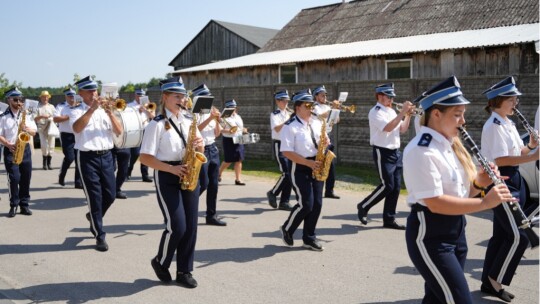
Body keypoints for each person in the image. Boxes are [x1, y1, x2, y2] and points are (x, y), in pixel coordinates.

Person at [403, 75, 513, 304]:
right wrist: (485, 203)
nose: (463, 121)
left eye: (462, 114)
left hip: (456, 232)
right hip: (431, 236)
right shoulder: (421, 150)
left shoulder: (449, 146)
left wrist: (479, 184)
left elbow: (460, 194)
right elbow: (435, 202)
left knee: (436, 299)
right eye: (457, 114)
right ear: (435, 114)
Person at [140, 76, 203, 288]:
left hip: (188, 171)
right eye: (177, 96)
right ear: (165, 97)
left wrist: (200, 145)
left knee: (191, 226)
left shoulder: (188, 120)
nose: (181, 99)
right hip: (166, 173)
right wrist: (171, 169)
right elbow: (145, 158)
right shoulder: (155, 125)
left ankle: (184, 271)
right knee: (177, 226)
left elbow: (199, 149)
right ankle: (161, 261)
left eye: (183, 96)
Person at [480, 76, 538, 302]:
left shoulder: (508, 122)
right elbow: (501, 159)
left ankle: (487, 282)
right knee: (520, 237)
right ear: (499, 100)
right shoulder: (493, 126)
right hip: (500, 183)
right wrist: (534, 156)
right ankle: (495, 281)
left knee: (500, 235)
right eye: (512, 98)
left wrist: (531, 146)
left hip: (515, 181)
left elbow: (518, 151)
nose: (516, 102)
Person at [69, 76, 123, 252]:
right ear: (81, 93)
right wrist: (91, 110)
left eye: (95, 90)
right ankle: (99, 234)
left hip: (106, 156)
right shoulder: (76, 110)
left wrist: (109, 112)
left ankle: (92, 215)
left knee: (111, 194)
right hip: (87, 158)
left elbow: (118, 131)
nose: (94, 93)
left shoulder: (105, 110)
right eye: (90, 90)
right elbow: (77, 128)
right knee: (95, 197)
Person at [356, 83, 413, 230]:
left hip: (395, 151)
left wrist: (407, 116)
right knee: (387, 185)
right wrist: (402, 113)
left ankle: (389, 219)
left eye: (392, 97)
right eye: (389, 96)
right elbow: (387, 128)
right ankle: (364, 206)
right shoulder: (375, 112)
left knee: (395, 188)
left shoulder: (392, 111)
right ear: (380, 96)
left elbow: (402, 129)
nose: (392, 100)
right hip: (383, 151)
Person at [279, 89, 329, 251]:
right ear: (298, 108)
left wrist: (326, 141)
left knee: (317, 204)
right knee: (306, 204)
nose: (311, 108)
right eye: (308, 105)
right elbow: (286, 152)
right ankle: (288, 228)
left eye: (312, 105)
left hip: (317, 164)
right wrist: (307, 163)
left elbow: (322, 140)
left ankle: (309, 238)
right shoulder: (290, 126)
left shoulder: (317, 122)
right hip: (300, 167)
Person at [192, 84, 226, 226]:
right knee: (203, 183)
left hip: (212, 149)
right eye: (205, 97)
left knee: (214, 185)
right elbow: (195, 130)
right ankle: (186, 206)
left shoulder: (210, 112)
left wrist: (217, 121)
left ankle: (211, 215)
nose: (208, 99)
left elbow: (217, 134)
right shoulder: (194, 113)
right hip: (201, 149)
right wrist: (210, 119)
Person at [0, 87, 37, 217]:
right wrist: (8, 144)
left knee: (26, 178)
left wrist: (27, 128)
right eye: (16, 99)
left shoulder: (26, 115)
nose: (19, 102)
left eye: (21, 99)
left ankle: (24, 205)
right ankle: (14, 205)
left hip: (25, 148)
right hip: (11, 149)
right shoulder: (3, 117)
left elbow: (34, 132)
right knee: (14, 179)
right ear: (9, 100)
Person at [266, 90, 295, 211]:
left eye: (287, 101)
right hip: (280, 144)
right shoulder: (275, 114)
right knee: (286, 173)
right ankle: (272, 193)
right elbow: (277, 129)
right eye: (283, 100)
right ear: (277, 101)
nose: (286, 103)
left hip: (291, 145)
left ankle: (284, 202)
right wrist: (289, 120)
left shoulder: (290, 112)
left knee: (290, 175)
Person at [312, 85, 340, 199]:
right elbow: (320, 116)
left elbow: (337, 120)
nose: (325, 96)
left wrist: (336, 110)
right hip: (318, 138)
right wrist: (332, 109)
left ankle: (329, 190)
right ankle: (315, 189)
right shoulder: (314, 106)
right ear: (316, 96)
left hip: (327, 136)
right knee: (318, 165)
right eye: (322, 95)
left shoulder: (327, 106)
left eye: (325, 95)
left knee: (330, 165)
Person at [54, 86, 82, 188]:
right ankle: (62, 175)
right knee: (70, 157)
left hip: (78, 134)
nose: (71, 98)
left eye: (73, 96)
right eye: (69, 96)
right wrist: (68, 116)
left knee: (79, 158)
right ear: (65, 96)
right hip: (66, 135)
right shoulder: (61, 106)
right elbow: (55, 119)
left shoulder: (80, 106)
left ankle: (78, 182)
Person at [127, 88, 154, 182]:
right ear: (135, 95)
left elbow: (153, 117)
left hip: (146, 130)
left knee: (145, 153)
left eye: (142, 95)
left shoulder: (149, 105)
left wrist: (146, 110)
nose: (140, 97)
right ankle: (128, 169)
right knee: (135, 153)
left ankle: (145, 175)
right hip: (135, 131)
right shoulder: (129, 105)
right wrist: (138, 111)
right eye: (138, 95)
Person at [218, 99, 247, 185]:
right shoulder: (223, 117)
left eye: (234, 107)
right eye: (230, 108)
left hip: (239, 139)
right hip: (229, 140)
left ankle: (238, 179)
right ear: (226, 109)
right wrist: (229, 131)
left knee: (239, 159)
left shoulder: (238, 116)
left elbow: (240, 127)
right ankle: (219, 173)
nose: (233, 109)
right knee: (228, 160)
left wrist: (243, 129)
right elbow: (220, 130)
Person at [34, 90, 57, 170]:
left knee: (51, 145)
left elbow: (56, 116)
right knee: (44, 145)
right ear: (41, 98)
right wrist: (42, 116)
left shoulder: (52, 106)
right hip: (42, 128)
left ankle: (49, 163)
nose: (45, 98)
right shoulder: (38, 107)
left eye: (47, 97)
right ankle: (44, 163)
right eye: (43, 97)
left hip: (51, 127)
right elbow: (35, 118)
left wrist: (51, 118)